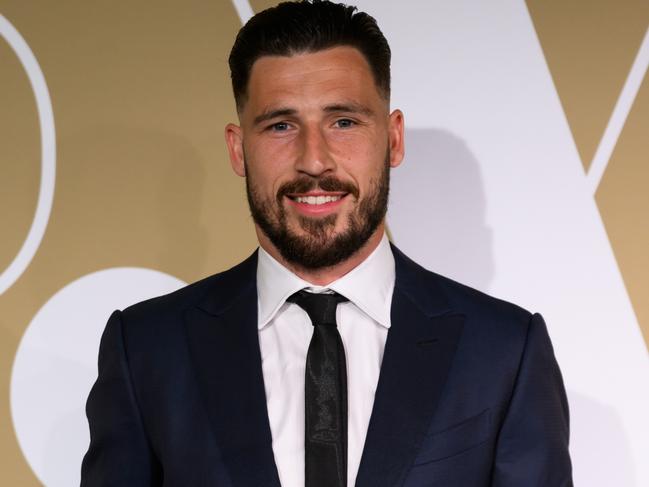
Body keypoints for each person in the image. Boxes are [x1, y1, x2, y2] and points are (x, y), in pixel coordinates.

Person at [81, 1, 573, 486]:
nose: (314, 161)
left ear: (394, 139)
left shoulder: (504, 352)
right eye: (280, 125)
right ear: (237, 149)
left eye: (344, 122)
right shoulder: (147, 350)